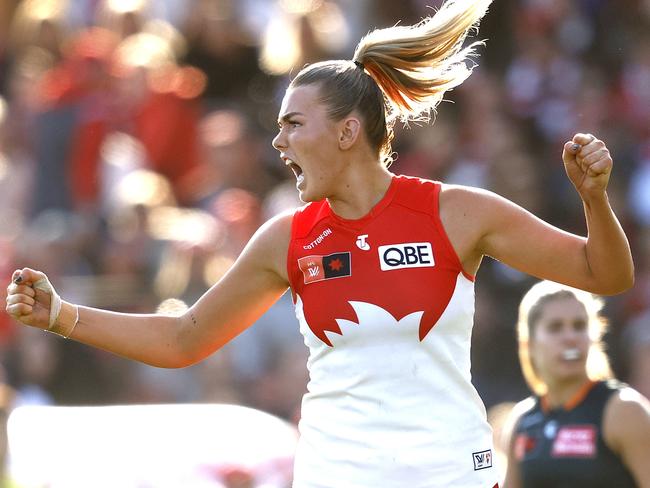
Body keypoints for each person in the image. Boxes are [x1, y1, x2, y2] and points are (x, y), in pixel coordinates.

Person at [5, 0, 635, 486]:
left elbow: (603, 275)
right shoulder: (287, 238)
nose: (277, 144)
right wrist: (62, 315)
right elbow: (183, 339)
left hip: (449, 472)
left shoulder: (455, 212)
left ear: (348, 131)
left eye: (293, 124)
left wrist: (595, 200)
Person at [502, 281, 650, 487]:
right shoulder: (521, 422)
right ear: (531, 344)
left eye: (579, 326)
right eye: (555, 327)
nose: (570, 337)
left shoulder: (624, 411)